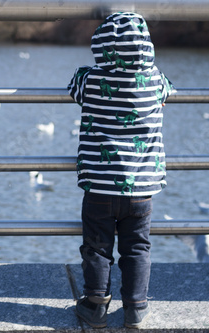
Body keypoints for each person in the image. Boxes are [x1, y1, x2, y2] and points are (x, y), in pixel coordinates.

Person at [67, 12, 174, 329]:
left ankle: (96, 305)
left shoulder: (92, 80)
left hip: (99, 186)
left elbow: (75, 86)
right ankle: (136, 308)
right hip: (142, 190)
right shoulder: (155, 81)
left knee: (97, 248)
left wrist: (88, 71)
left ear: (100, 46)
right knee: (138, 248)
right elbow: (169, 89)